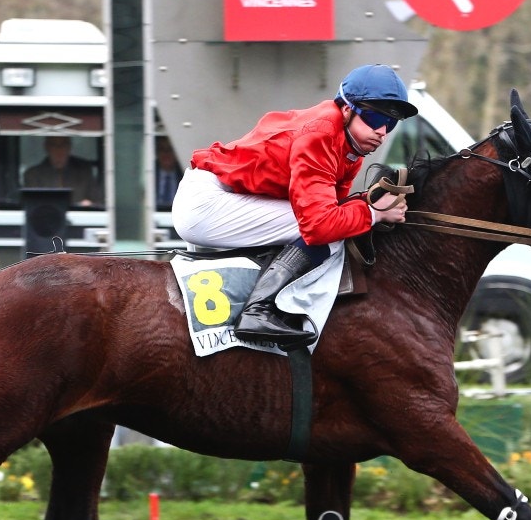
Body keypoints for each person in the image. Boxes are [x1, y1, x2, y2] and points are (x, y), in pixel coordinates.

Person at [171, 63, 418, 349]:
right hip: (207, 204)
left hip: (223, 196)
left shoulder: (350, 147)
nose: (382, 132)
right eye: (375, 118)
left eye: (391, 123)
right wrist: (375, 213)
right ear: (347, 109)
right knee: (330, 233)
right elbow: (320, 226)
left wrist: (366, 203)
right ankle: (257, 310)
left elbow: (334, 206)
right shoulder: (322, 134)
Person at [22, 136, 102, 206]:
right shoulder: (33, 175)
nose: (59, 150)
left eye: (63, 145)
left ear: (69, 147)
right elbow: (30, 205)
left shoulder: (84, 171)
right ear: (47, 147)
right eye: (54, 145)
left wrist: (89, 204)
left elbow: (98, 201)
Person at [154, 137, 183, 210]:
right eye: (162, 149)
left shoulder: (185, 173)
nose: (166, 153)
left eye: (170, 149)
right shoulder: (149, 174)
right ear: (156, 152)